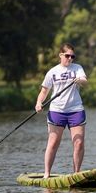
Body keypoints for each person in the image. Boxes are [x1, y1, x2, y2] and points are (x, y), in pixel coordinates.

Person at [35, 43, 88, 178]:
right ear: (61, 55)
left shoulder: (77, 68)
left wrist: (80, 80)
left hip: (75, 109)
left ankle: (76, 174)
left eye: (72, 56)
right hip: (57, 111)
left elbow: (85, 82)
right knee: (53, 142)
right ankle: (47, 174)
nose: (70, 58)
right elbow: (44, 91)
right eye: (67, 56)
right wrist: (39, 103)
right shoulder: (52, 72)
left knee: (79, 142)